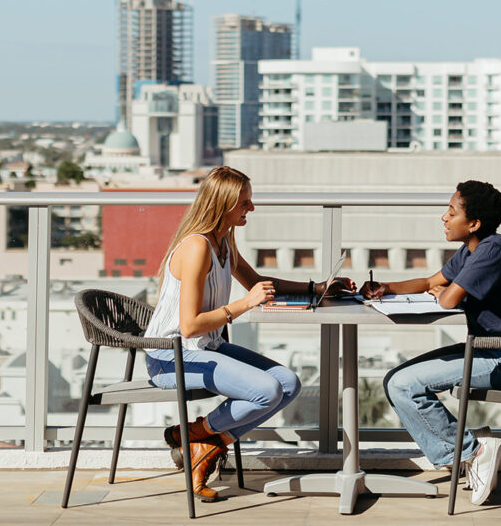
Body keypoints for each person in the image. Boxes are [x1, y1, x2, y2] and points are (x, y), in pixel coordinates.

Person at [144, 166, 354, 502]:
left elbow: (257, 282)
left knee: (288, 383)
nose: (251, 209)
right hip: (170, 356)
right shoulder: (197, 247)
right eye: (245, 203)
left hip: (206, 347)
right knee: (267, 390)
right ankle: (195, 434)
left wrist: (319, 289)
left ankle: (204, 445)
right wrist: (244, 305)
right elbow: (189, 325)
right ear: (223, 205)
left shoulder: (224, 240)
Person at [360, 180, 501, 506]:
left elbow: (448, 298)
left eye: (451, 212)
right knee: (394, 380)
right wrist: (385, 287)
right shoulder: (470, 251)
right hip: (485, 349)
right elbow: (430, 282)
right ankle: (471, 450)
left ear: (474, 224)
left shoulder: (492, 249)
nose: (444, 217)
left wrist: (444, 294)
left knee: (403, 385)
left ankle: (474, 451)